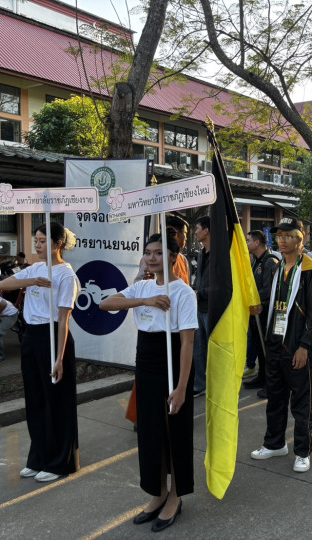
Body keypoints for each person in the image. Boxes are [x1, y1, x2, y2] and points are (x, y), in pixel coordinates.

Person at [100, 233, 196, 532]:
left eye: (159, 253)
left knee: (174, 432)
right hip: (146, 361)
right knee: (151, 432)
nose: (152, 258)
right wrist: (145, 300)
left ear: (173, 257)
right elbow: (106, 304)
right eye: (148, 252)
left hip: (173, 361)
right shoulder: (142, 286)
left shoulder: (183, 293)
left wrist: (181, 387)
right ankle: (158, 492)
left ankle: (176, 496)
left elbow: (188, 343)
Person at [0, 223, 79, 482]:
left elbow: (64, 319)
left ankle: (60, 462)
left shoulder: (66, 275)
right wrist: (31, 280)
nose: (38, 245)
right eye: (37, 240)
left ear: (58, 244)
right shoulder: (35, 268)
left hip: (53, 337)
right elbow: (3, 284)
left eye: (43, 240)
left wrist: (59, 358)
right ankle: (39, 458)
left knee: (57, 401)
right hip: (31, 336)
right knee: (35, 400)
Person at [251, 218, 312, 473]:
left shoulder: (309, 270)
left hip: (297, 347)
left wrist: (305, 345)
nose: (282, 240)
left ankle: (302, 451)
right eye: (280, 236)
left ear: (300, 239)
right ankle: (274, 443)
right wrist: (259, 305)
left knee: (302, 403)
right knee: (275, 399)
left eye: (289, 235)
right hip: (275, 343)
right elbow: (272, 300)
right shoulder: (277, 267)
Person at [243, 230, 280, 396]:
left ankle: (271, 381)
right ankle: (262, 376)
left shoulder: (270, 261)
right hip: (255, 312)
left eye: (248, 240)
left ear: (257, 243)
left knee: (267, 349)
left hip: (265, 312)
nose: (246, 243)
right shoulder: (256, 261)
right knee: (258, 346)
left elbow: (269, 289)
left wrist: (255, 301)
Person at [192, 216, 211, 397]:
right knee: (198, 349)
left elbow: (223, 285)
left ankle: (215, 384)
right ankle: (199, 384)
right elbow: (198, 279)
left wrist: (201, 293)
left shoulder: (222, 254)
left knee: (213, 350)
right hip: (198, 308)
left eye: (198, 228)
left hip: (213, 309)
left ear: (206, 230)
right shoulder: (201, 253)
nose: (196, 232)